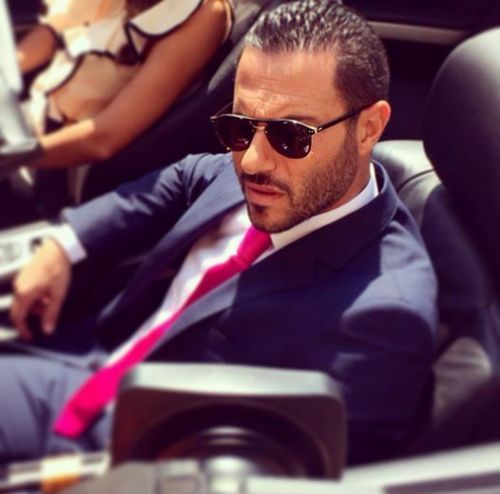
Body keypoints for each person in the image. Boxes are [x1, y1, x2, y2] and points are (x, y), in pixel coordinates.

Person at [2, 0, 437, 465]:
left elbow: (300, 474)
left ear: (368, 128)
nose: (251, 160)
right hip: (84, 365)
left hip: (138, 455)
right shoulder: (273, 172)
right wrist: (66, 244)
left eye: (292, 136)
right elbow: (178, 180)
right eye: (238, 126)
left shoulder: (383, 319)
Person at [12, 0, 233, 214]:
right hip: (30, 117)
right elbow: (54, 31)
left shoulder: (203, 14)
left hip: (63, 164)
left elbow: (102, 139)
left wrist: (14, 155)